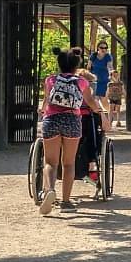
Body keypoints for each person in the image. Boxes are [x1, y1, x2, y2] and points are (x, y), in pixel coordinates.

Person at [38, 47, 110, 215]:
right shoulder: (82, 82)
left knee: (50, 162)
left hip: (52, 120)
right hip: (72, 121)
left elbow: (46, 101)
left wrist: (42, 110)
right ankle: (66, 201)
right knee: (68, 163)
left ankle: (49, 190)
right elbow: (91, 102)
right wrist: (100, 113)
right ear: (76, 66)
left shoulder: (50, 80)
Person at [88, 41, 114, 115]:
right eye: (102, 47)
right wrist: (88, 76)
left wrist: (111, 73)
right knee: (95, 99)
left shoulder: (108, 56)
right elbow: (89, 66)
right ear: (98, 48)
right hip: (94, 81)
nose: (103, 49)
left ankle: (110, 114)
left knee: (103, 100)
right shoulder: (93, 55)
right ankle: (99, 117)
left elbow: (109, 66)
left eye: (105, 48)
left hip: (104, 81)